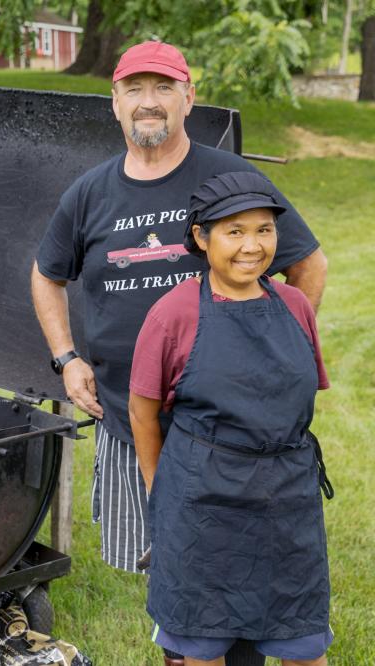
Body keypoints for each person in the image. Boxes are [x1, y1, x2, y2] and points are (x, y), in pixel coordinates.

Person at [31, 40, 327, 575]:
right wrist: (66, 358)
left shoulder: (230, 179)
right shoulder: (88, 193)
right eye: (135, 89)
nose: (149, 101)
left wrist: (277, 351)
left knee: (240, 564)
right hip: (126, 415)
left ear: (189, 99)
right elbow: (46, 275)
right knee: (161, 572)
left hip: (228, 427)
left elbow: (307, 265)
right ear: (114, 102)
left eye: (164, 88)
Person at [128, 171, 332, 666]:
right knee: (201, 641)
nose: (252, 246)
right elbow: (142, 409)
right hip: (203, 505)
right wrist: (163, 489)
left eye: (264, 230)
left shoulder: (295, 305)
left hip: (287, 501)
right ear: (201, 237)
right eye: (234, 231)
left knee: (302, 641)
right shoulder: (172, 314)